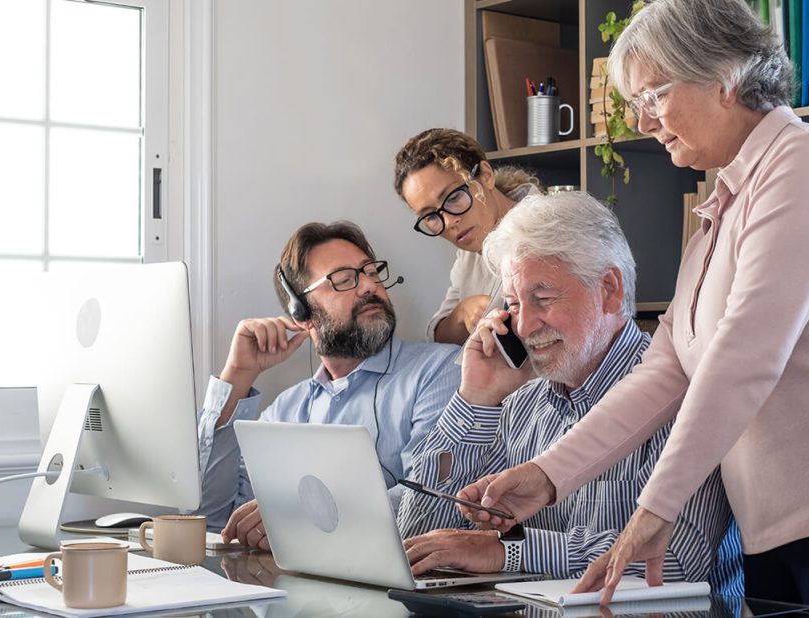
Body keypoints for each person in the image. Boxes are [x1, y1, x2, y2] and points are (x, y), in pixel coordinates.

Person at [455, 0, 809, 613]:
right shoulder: (723, 208)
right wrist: (548, 476)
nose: (644, 120)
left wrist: (657, 504)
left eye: (654, 94)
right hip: (777, 530)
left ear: (724, 74)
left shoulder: (807, 164)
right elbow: (665, 370)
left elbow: (745, 355)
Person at [397, 192, 742, 594]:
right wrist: (475, 400)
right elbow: (416, 538)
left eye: (542, 299)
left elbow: (679, 561)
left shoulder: (682, 394)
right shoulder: (520, 406)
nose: (523, 326)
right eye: (512, 303)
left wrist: (509, 550)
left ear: (609, 290)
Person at [195, 221, 461, 548]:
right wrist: (237, 375)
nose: (368, 286)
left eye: (371, 272)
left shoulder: (441, 369)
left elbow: (430, 504)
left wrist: (298, 517)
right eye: (344, 279)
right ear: (302, 312)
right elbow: (208, 517)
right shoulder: (286, 412)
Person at [394, 128, 542, 345]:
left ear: (486, 175)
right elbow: (437, 337)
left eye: (453, 197)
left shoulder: (550, 231)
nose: (448, 222)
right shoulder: (470, 250)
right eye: (430, 216)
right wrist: (462, 313)